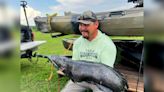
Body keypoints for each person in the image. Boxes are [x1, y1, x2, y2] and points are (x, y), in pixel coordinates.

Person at [61, 10, 117, 92]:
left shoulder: (107, 44)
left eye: (86, 25)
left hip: (100, 82)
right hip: (80, 79)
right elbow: (75, 64)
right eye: (80, 24)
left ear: (96, 24)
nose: (82, 28)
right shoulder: (77, 42)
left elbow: (105, 73)